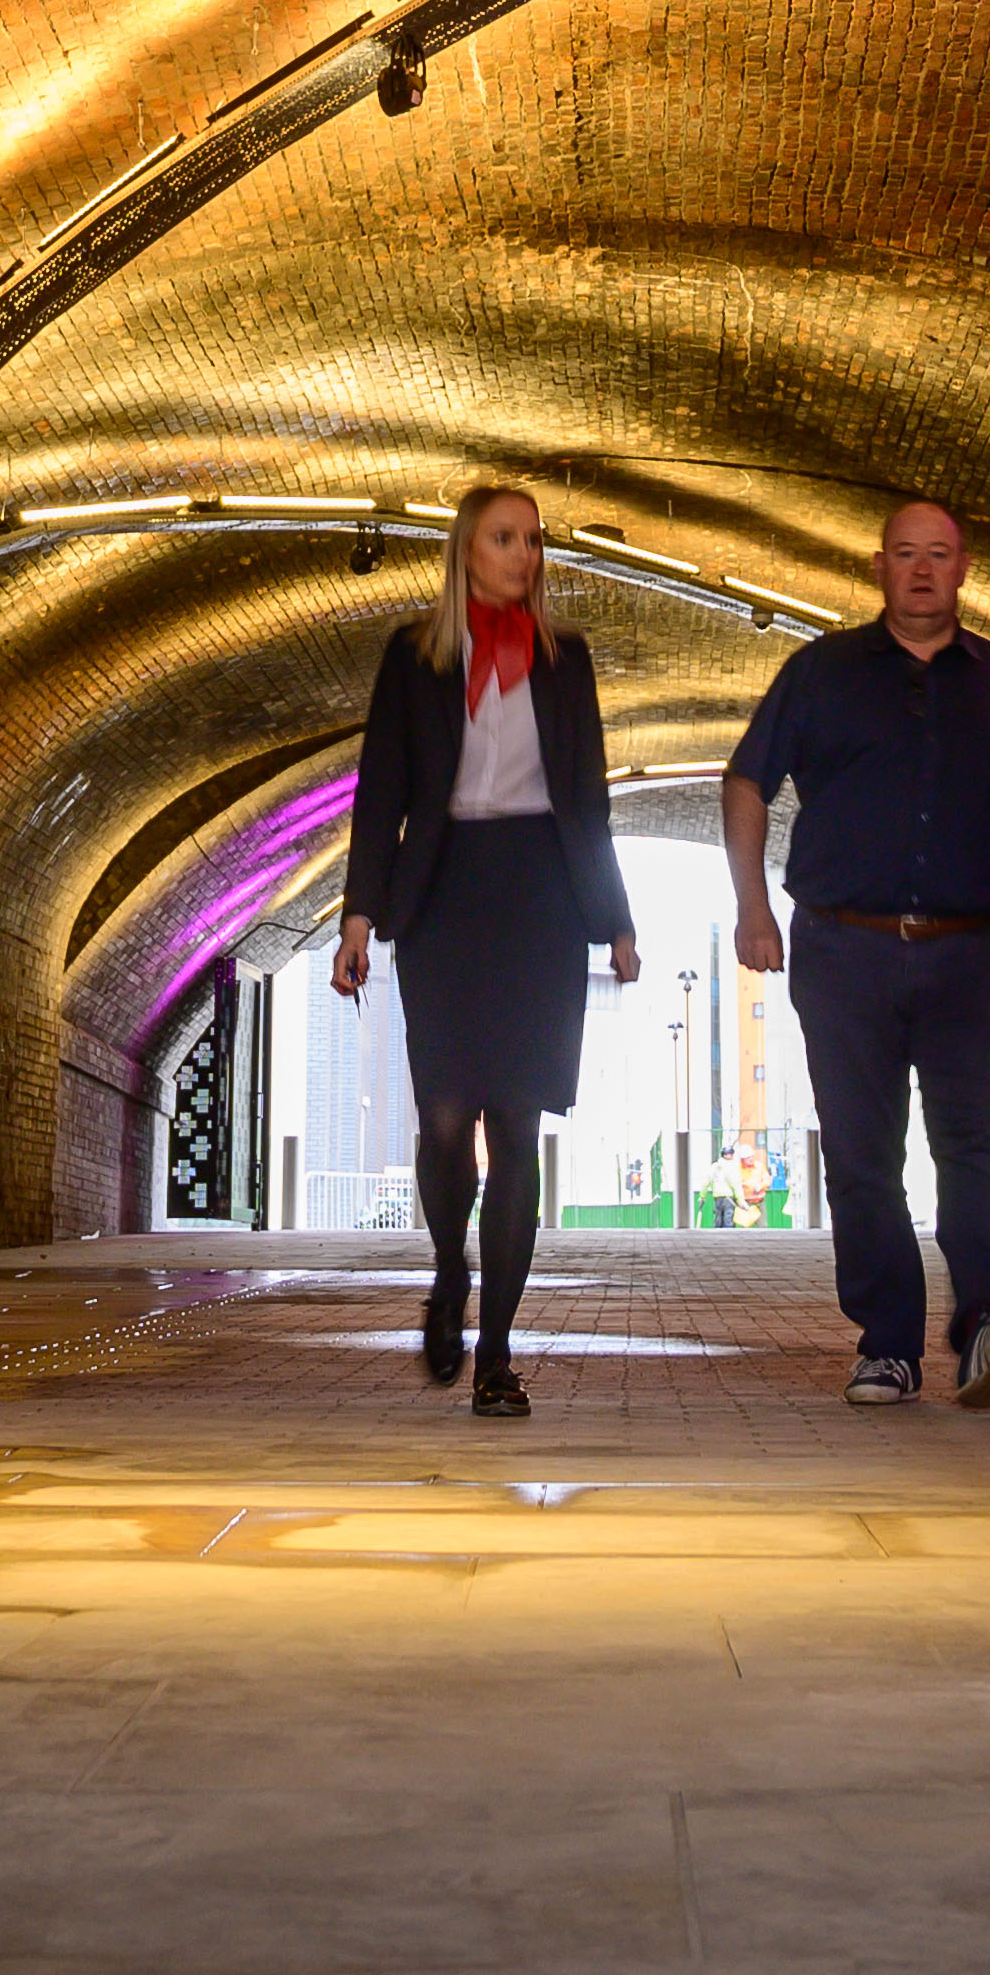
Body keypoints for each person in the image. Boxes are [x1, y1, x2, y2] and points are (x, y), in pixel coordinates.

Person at [724, 493, 990, 1408]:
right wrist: (753, 907)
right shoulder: (819, 673)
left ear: (964, 568)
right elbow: (747, 780)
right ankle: (888, 1344)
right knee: (863, 1151)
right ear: (878, 567)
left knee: (976, 1141)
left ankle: (987, 1324)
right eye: (905, 554)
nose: (921, 570)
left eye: (938, 554)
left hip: (972, 953)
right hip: (844, 949)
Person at [331, 484, 640, 1419]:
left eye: (534, 541)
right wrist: (358, 916)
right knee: (443, 1118)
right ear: (466, 551)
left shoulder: (566, 658)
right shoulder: (414, 655)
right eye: (505, 539)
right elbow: (380, 787)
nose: (524, 555)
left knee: (517, 1124)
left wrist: (615, 919)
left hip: (540, 898)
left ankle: (499, 1355)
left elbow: (588, 795)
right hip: (444, 895)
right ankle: (447, 1266)